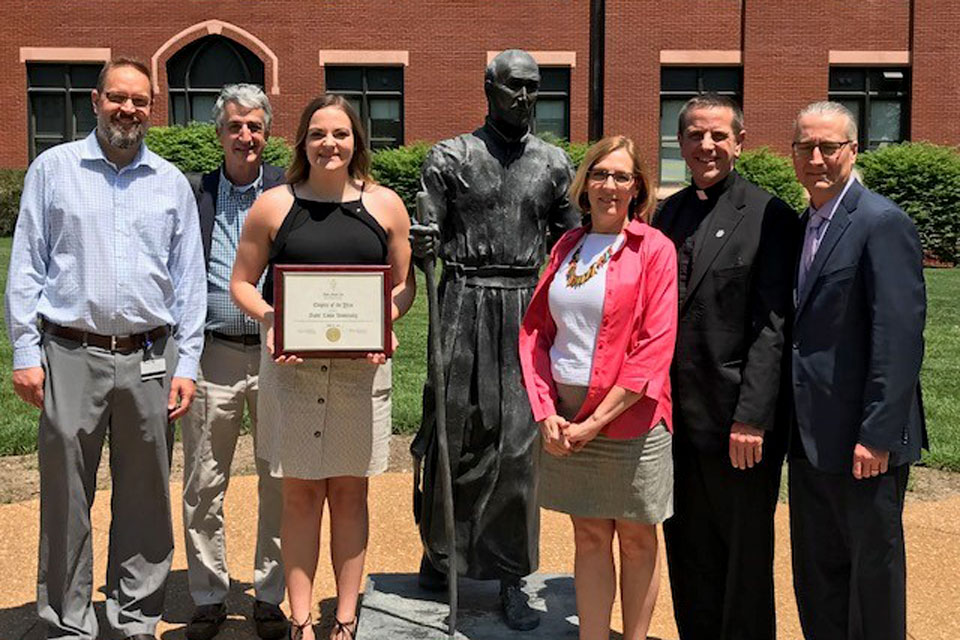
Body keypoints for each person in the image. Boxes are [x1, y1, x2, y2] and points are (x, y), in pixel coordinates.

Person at [4, 58, 206, 640]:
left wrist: (186, 363)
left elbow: (188, 283)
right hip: (69, 353)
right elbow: (27, 267)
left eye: (140, 101)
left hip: (149, 356)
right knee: (67, 492)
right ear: (96, 100)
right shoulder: (53, 170)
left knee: (146, 494)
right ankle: (70, 619)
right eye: (118, 98)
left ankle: (135, 615)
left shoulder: (169, 183)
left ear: (152, 108)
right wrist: (23, 351)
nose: (129, 110)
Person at [230, 94, 414, 640]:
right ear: (302, 142)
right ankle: (302, 618)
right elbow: (242, 281)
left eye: (340, 134)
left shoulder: (385, 205)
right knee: (301, 494)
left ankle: (346, 616)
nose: (329, 144)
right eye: (317, 134)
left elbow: (402, 287)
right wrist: (270, 319)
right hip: (292, 371)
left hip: (362, 372)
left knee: (351, 493)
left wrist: (387, 319)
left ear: (357, 140)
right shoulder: (273, 204)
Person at [409, 48, 580, 631]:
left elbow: (571, 243)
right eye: (515, 88)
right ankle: (443, 555)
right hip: (461, 300)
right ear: (489, 88)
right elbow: (424, 227)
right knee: (455, 431)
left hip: (523, 306)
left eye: (535, 88)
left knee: (515, 446)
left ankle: (511, 574)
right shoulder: (449, 156)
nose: (526, 99)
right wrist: (423, 244)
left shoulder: (554, 163)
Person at [518, 136, 678, 640]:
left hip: (629, 421)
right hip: (566, 416)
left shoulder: (654, 249)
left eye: (622, 176)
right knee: (588, 535)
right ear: (584, 184)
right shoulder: (567, 246)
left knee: (636, 539)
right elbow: (537, 333)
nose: (610, 185)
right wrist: (546, 411)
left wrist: (593, 422)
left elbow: (654, 348)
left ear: (638, 188)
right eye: (600, 174)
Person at [653, 94, 796, 640]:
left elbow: (773, 325)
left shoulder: (769, 215)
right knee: (687, 547)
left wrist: (753, 418)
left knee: (744, 557)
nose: (706, 146)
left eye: (718, 136)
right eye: (694, 135)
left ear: (740, 141)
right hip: (674, 422)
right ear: (680, 142)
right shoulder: (669, 214)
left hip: (737, 422)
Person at [788, 101, 926, 640]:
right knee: (818, 573)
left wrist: (877, 434)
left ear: (852, 151)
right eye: (806, 147)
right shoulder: (804, 225)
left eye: (829, 147)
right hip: (810, 436)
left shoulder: (881, 223)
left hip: (864, 441)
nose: (817, 158)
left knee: (872, 578)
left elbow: (897, 338)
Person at [181, 84, 287, 640]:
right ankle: (208, 596)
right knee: (203, 480)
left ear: (267, 133)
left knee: (277, 477)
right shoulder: (193, 193)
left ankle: (270, 596)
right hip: (210, 352)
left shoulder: (288, 193)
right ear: (218, 133)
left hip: (278, 357)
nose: (245, 136)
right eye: (234, 126)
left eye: (255, 127)